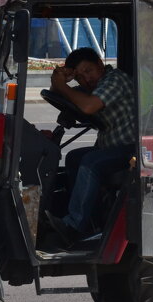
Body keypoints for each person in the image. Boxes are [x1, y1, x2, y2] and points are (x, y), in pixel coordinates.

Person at [47, 47, 136, 244]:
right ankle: (89, 220)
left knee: (91, 162)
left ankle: (74, 226)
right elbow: (62, 95)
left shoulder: (114, 80)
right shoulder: (91, 88)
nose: (86, 79)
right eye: (79, 76)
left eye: (89, 71)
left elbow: (88, 106)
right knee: (73, 157)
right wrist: (59, 79)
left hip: (132, 148)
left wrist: (63, 87)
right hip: (110, 146)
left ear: (100, 64)